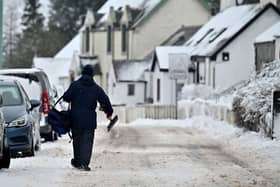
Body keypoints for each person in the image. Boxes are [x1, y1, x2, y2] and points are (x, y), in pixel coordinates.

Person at [62, 64, 113, 171]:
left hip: (76, 119)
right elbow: (105, 101)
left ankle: (77, 162)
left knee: (77, 141)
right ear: (92, 75)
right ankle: (84, 163)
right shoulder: (96, 88)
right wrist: (109, 113)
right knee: (87, 142)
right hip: (89, 121)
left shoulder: (75, 85)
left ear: (83, 73)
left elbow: (66, 97)